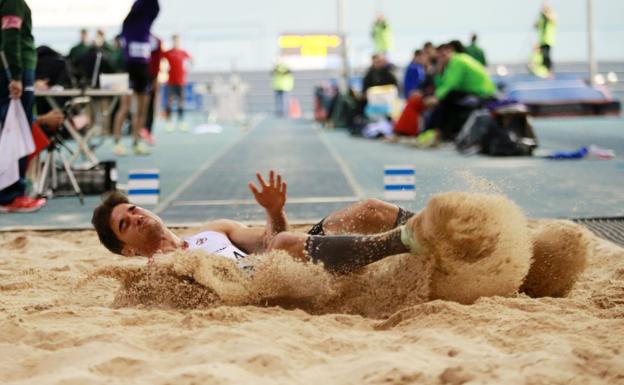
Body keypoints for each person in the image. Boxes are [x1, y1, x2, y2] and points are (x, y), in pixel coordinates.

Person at [92, 170, 424, 274]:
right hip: (266, 283)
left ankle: (431, 227)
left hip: (284, 259)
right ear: (126, 250)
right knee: (282, 246)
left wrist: (274, 211)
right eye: (124, 225)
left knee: (369, 209)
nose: (135, 217)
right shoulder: (157, 270)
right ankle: (404, 240)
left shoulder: (214, 229)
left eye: (133, 209)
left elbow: (269, 240)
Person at [0, 0, 46, 213]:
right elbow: (10, 38)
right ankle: (11, 195)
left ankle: (11, 192)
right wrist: (16, 75)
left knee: (11, 130)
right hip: (15, 72)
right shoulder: (13, 1)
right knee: (15, 131)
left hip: (11, 71)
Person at [421, 42, 496, 142]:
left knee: (446, 100)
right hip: (474, 93)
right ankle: (439, 134)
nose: (441, 58)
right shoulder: (453, 62)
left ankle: (436, 133)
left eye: (443, 55)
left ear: (450, 51)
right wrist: (439, 72)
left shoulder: (458, 61)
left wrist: (436, 98)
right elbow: (443, 85)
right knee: (447, 99)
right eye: (439, 57)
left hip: (483, 94)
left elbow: (451, 84)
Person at [111, 0, 159, 156]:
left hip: (143, 70)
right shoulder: (128, 26)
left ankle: (136, 141)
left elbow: (154, 7)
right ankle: (117, 142)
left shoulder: (148, 27)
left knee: (142, 109)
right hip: (129, 68)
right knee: (125, 107)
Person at [163, 34, 191, 132]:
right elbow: (160, 60)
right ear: (172, 41)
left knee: (181, 102)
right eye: (174, 41)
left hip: (181, 81)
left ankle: (181, 123)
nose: (176, 42)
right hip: (171, 81)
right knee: (169, 102)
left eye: (177, 41)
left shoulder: (183, 52)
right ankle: (169, 123)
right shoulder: (168, 53)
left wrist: (187, 70)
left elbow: (191, 61)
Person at [535, 3, 556, 73]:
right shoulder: (542, 19)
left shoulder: (551, 16)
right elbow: (536, 26)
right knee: (542, 56)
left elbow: (550, 18)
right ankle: (544, 70)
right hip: (542, 40)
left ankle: (550, 70)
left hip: (548, 40)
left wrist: (545, 13)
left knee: (547, 56)